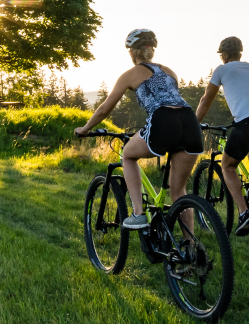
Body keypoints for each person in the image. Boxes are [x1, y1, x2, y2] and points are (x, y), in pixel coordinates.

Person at [75, 29, 204, 230]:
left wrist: (85, 128)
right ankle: (190, 248)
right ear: (152, 51)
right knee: (179, 191)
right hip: (190, 121)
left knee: (127, 155)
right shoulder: (170, 72)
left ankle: (138, 213)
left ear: (132, 52)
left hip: (163, 120)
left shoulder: (130, 74)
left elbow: (103, 109)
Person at [194, 36, 249, 236]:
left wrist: (194, 123)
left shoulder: (221, 70)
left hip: (247, 122)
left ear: (223, 55)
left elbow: (206, 100)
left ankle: (244, 213)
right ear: (240, 53)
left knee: (227, 166)